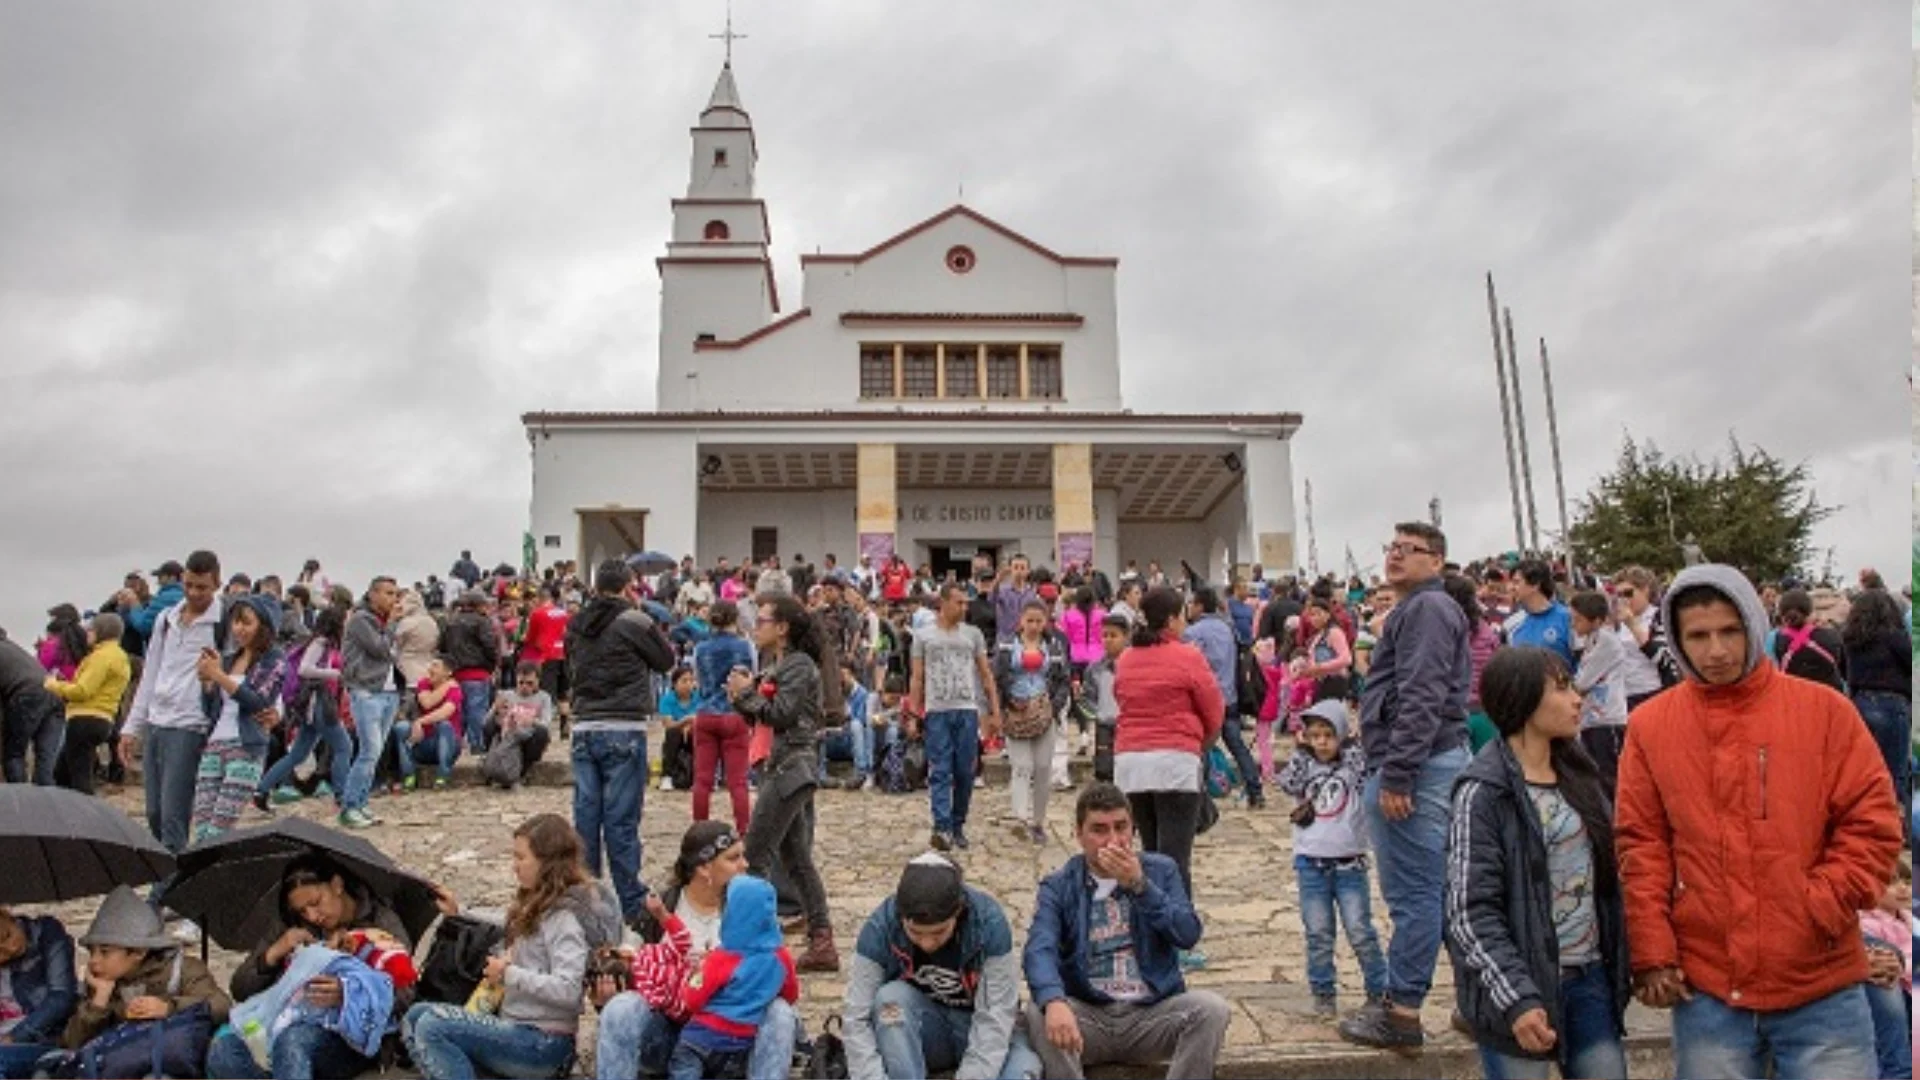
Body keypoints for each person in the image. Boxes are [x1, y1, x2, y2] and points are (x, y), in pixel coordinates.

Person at [1615, 564, 1902, 1080]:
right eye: (1698, 636)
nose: (1716, 651)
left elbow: (1872, 821)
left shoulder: (1825, 712)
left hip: (1822, 978)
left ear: (1753, 623)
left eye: (1729, 631)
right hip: (1709, 987)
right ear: (1676, 640)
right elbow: (1643, 844)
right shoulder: (1650, 727)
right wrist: (1653, 948)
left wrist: (1822, 901)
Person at [1445, 648, 1631, 1080]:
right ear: (1524, 698)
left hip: (1589, 981)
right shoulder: (1483, 793)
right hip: (1517, 990)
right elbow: (1467, 911)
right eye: (1562, 688)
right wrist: (1516, 999)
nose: (1577, 698)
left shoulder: (1580, 777)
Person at [1340, 523, 1471, 1054]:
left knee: (1417, 896)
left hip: (1418, 766)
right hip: (1424, 760)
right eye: (1391, 548)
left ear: (1436, 561)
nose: (1394, 557)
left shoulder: (1427, 611)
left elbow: (1422, 692)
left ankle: (1402, 1012)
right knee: (1440, 892)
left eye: (1408, 550)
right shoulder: (1418, 610)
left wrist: (1398, 772)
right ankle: (1472, 1000)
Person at [1021, 783, 1230, 1080]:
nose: (1113, 840)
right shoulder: (1059, 884)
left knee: (1212, 1010)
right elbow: (1039, 949)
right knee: (1039, 1011)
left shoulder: (1161, 870)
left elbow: (1187, 934)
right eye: (1099, 830)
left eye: (1121, 828)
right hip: (1090, 1016)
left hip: (1150, 1013)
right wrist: (1054, 1001)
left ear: (1133, 829)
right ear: (1078, 834)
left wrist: (1140, 886)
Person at [405, 814, 622, 1080]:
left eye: (521, 858)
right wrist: (459, 911)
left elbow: (569, 988)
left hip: (543, 1042)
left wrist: (508, 975)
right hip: (513, 1028)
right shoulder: (538, 903)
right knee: (416, 1016)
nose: (514, 866)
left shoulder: (565, 919)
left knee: (433, 1025)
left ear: (547, 862)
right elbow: (506, 923)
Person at [593, 822, 799, 1080]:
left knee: (781, 1012)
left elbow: (777, 977)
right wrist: (609, 991)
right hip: (670, 1037)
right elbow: (634, 964)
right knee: (622, 1008)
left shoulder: (752, 911)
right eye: (733, 858)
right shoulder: (661, 909)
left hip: (734, 1041)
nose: (745, 865)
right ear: (704, 867)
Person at [206, 855, 418, 1079]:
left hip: (349, 1039)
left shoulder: (381, 923)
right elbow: (240, 989)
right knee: (224, 1051)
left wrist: (348, 994)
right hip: (284, 1022)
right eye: (302, 910)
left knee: (294, 1042)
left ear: (337, 885)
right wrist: (273, 953)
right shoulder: (291, 926)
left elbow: (405, 994)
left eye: (316, 903)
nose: (313, 916)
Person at [841, 853, 1041, 1080]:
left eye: (938, 932)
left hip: (977, 1025)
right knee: (890, 1000)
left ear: (958, 912)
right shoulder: (880, 926)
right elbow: (856, 1016)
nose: (927, 943)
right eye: (915, 933)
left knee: (1023, 1071)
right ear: (900, 917)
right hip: (923, 1027)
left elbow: (996, 1016)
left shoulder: (989, 924)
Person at [728, 594, 838, 972]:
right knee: (796, 860)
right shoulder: (782, 664)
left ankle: (748, 944)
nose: (756, 627)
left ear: (782, 628)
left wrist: (746, 694)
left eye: (762, 621)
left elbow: (781, 713)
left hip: (790, 766)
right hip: (787, 765)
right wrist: (743, 697)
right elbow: (764, 716)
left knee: (756, 855)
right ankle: (821, 940)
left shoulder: (797, 666)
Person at [566, 559, 676, 927]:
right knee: (621, 820)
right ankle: (629, 900)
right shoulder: (634, 620)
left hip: (584, 726)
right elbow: (665, 660)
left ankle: (586, 895)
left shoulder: (577, 622)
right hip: (622, 724)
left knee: (586, 816)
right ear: (628, 585)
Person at [1111, 586, 1223, 904]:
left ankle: (1151, 926)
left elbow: (1121, 699)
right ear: (1172, 619)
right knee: (1174, 858)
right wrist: (1201, 740)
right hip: (1175, 761)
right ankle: (1178, 932)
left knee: (1149, 851)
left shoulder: (1127, 658)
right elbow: (1213, 707)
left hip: (1132, 764)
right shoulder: (1188, 656)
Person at [1277, 700, 1386, 1020]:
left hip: (1350, 863)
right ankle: (1323, 990)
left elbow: (1366, 778)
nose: (1322, 741)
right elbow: (1286, 783)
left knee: (1360, 930)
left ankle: (1378, 988)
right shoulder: (1303, 765)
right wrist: (1299, 753)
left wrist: (1351, 746)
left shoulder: (1353, 768)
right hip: (1311, 862)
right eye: (1315, 735)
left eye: (1328, 734)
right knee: (1318, 932)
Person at [120, 549, 226, 852]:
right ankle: (167, 878)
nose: (194, 593)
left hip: (190, 724)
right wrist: (132, 727)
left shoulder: (221, 622)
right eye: (189, 585)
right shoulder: (166, 619)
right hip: (156, 720)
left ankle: (165, 893)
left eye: (202, 587)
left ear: (216, 583)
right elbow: (151, 673)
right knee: (153, 813)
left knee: (173, 818)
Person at [55, 886, 231, 1054]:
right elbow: (71, 1043)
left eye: (104, 952)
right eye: (92, 951)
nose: (94, 961)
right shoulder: (100, 982)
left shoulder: (184, 970)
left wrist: (169, 1008)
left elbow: (221, 1006)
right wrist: (98, 1003)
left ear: (138, 952)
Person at [668, 876, 799, 1080]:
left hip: (700, 1040)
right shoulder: (781, 958)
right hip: (742, 1045)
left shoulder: (722, 957)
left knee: (683, 1068)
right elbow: (790, 995)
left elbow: (692, 1000)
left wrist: (692, 977)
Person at [909, 583, 1002, 852]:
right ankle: (942, 825)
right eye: (958, 603)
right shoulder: (923, 636)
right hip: (937, 710)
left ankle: (958, 822)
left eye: (966, 604)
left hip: (967, 709)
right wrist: (914, 713)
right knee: (940, 769)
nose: (964, 608)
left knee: (965, 770)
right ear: (944, 602)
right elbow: (917, 677)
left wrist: (994, 711)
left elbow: (986, 675)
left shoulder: (973, 635)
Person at [190, 593, 286, 844]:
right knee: (201, 830)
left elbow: (258, 700)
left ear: (263, 626)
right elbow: (210, 709)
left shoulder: (273, 660)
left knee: (219, 831)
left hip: (246, 748)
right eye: (236, 622)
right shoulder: (229, 659)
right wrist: (207, 683)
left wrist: (219, 676)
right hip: (214, 745)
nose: (239, 629)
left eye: (246, 623)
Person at [255, 607, 351, 811]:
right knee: (344, 747)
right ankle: (341, 794)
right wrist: (335, 674)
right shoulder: (321, 643)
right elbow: (305, 669)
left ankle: (262, 790)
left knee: (297, 754)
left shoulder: (319, 642)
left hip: (309, 706)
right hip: (320, 702)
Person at [993, 602, 1072, 844]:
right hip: (1016, 712)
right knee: (1022, 766)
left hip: (1044, 712)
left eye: (1040, 621)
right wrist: (1006, 701)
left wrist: (1053, 707)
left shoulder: (1055, 647)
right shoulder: (1006, 646)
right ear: (1021, 621)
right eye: (1030, 621)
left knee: (1043, 768)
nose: (1035, 626)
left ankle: (1037, 820)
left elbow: (1063, 680)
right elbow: (998, 677)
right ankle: (1020, 818)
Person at [1182, 586, 1263, 812]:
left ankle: (1200, 795)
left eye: (1191, 603)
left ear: (1199, 606)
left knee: (1201, 747)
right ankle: (1255, 790)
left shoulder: (1193, 633)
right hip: (1229, 696)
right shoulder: (1227, 628)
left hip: (1205, 698)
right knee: (1237, 745)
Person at [1840, 588, 1913, 837]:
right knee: (1895, 772)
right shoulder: (1894, 637)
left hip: (1860, 703)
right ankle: (1893, 829)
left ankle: (1867, 825)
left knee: (1866, 772)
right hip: (1892, 704)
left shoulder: (1850, 638)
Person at [338, 576, 402, 830]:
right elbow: (380, 649)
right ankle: (349, 805)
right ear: (373, 594)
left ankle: (362, 802)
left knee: (374, 754)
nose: (393, 599)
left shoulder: (381, 622)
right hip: (367, 691)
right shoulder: (361, 620)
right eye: (388, 593)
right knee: (368, 752)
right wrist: (394, 624)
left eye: (395, 594)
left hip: (387, 691)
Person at [46, 612, 131, 796]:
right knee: (62, 773)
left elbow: (83, 691)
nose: (87, 634)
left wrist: (53, 685)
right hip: (103, 719)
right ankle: (67, 814)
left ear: (102, 632)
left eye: (91, 630)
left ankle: (84, 817)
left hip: (85, 718)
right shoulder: (120, 656)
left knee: (79, 778)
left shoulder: (101, 656)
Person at [692, 601, 756, 831]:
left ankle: (699, 828)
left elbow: (698, 680)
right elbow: (753, 677)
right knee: (738, 781)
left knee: (702, 779)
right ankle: (743, 829)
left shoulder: (700, 648)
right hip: (734, 713)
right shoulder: (745, 646)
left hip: (706, 712)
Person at [0, 907, 78, 1080]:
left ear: (7, 916)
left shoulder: (45, 933)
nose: (10, 948)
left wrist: (14, 1037)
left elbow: (61, 997)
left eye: (7, 936)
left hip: (40, 1040)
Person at [1567, 591, 1631, 799]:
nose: (1573, 624)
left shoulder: (1607, 642)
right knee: (1597, 775)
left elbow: (1583, 683)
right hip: (1592, 719)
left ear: (1595, 621)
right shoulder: (1591, 641)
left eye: (1578, 619)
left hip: (1607, 719)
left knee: (1609, 777)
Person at [1859, 857, 1912, 1080]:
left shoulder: (1910, 920)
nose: (1902, 888)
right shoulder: (1867, 923)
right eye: (1891, 882)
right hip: (1901, 988)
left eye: (1907, 881)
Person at [442, 589, 502, 756]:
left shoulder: (451, 622)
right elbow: (490, 646)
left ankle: (455, 744)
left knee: (458, 710)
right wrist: (492, 666)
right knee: (477, 710)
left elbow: (443, 647)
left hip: (456, 672)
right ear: (479, 605)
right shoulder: (482, 622)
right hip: (477, 672)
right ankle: (478, 744)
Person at [393, 656, 462, 791]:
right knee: (401, 728)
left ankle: (442, 776)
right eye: (430, 665)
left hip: (448, 745)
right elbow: (427, 702)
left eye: (436, 666)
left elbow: (445, 712)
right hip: (424, 742)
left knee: (444, 725)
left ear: (448, 672)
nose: (430, 669)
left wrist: (420, 721)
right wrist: (447, 685)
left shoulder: (456, 691)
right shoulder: (424, 684)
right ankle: (409, 776)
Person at [1769, 587, 1846, 693]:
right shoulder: (1832, 636)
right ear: (1810, 610)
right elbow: (1845, 672)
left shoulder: (1774, 640)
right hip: (1831, 700)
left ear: (1782, 613)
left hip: (1794, 701)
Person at [1503, 560, 1575, 669]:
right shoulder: (1510, 624)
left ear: (1535, 584)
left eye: (1516, 582)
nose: (1511, 588)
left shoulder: (1568, 618)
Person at [656, 666, 697, 792]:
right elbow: (668, 724)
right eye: (684, 681)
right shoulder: (667, 699)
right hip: (675, 739)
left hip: (692, 735)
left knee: (699, 734)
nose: (688, 684)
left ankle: (699, 777)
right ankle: (666, 776)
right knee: (673, 733)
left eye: (691, 680)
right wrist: (685, 721)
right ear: (674, 684)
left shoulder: (698, 697)